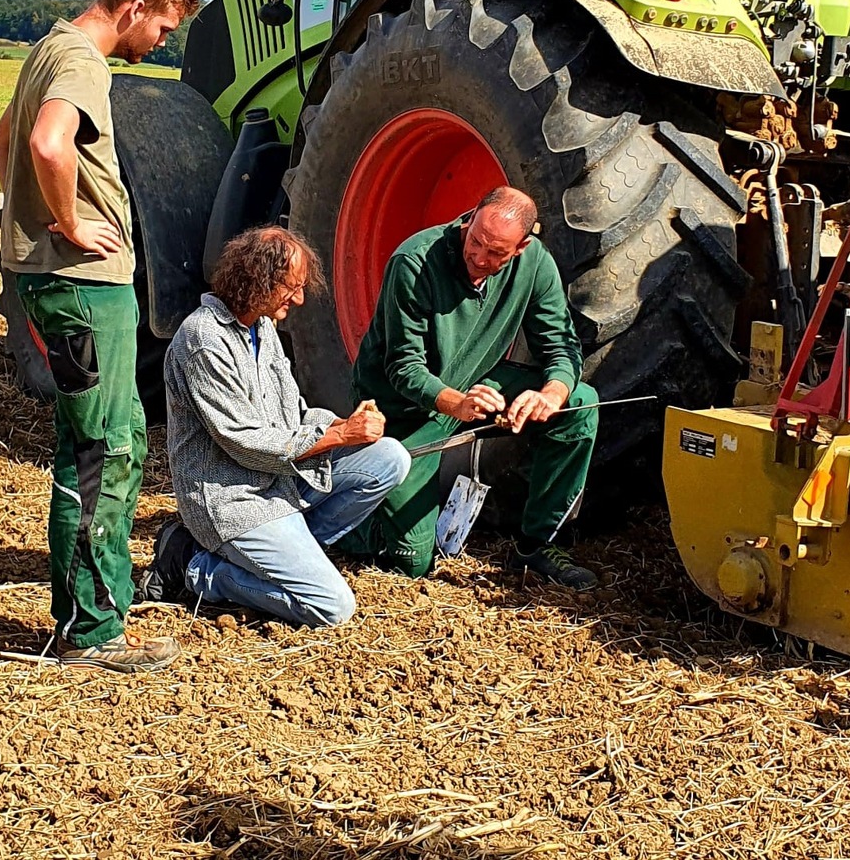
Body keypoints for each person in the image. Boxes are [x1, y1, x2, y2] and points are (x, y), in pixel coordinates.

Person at [0, 0, 199, 673]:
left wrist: (24, 223)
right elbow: (46, 142)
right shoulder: (82, 60)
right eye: (163, 29)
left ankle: (101, 610)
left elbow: (4, 139)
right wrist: (71, 225)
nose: (161, 44)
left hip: (58, 278)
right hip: (84, 282)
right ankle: (88, 635)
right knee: (99, 451)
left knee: (114, 436)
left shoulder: (48, 47)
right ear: (134, 7)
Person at [143, 226, 411, 627]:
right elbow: (244, 442)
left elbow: (293, 413)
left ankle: (288, 559)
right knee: (333, 609)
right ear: (257, 280)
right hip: (234, 500)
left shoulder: (262, 327)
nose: (299, 298)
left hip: (279, 484)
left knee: (389, 457)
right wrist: (338, 436)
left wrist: (344, 423)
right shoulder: (203, 340)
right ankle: (196, 567)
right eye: (291, 287)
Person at [345, 187, 600, 588]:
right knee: (411, 563)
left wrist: (550, 394)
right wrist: (457, 403)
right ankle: (346, 523)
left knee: (579, 403)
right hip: (407, 410)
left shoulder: (535, 264)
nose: (480, 257)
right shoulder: (414, 261)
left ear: (521, 247)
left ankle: (538, 545)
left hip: (479, 385)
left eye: (497, 253)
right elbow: (403, 367)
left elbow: (561, 345)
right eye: (476, 241)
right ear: (471, 217)